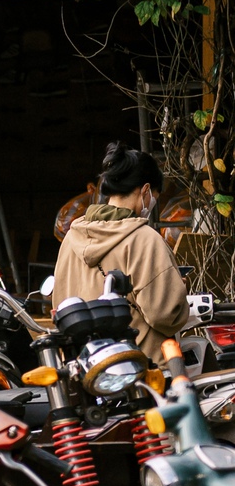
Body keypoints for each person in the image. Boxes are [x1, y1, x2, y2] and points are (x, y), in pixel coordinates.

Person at [53, 141, 191, 358]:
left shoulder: (71, 238)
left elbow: (61, 307)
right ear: (145, 190)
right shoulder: (144, 239)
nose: (153, 202)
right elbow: (164, 315)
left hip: (89, 364)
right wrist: (178, 290)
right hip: (140, 365)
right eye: (155, 196)